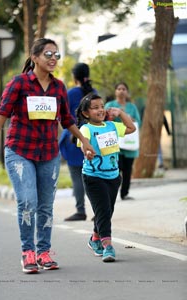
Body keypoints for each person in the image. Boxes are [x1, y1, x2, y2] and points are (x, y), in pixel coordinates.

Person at [0, 38, 95, 274]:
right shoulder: (19, 83)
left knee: (45, 206)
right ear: (35, 57)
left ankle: (44, 252)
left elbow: (67, 120)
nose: (53, 58)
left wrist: (84, 140)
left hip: (48, 153)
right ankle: (28, 252)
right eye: (48, 54)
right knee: (28, 201)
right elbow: (2, 113)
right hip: (19, 151)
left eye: (56, 55)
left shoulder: (58, 87)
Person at [76, 93, 136, 262]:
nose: (100, 110)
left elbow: (132, 128)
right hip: (93, 177)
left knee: (106, 211)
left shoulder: (112, 125)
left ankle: (95, 238)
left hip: (114, 176)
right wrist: (87, 152)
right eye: (95, 108)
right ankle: (107, 246)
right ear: (86, 113)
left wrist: (120, 113)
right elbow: (84, 144)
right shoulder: (86, 128)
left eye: (102, 106)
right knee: (103, 210)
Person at [59, 63, 95, 221]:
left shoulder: (72, 92)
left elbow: (63, 116)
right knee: (93, 177)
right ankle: (98, 211)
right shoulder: (94, 93)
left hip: (74, 138)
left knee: (77, 175)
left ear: (74, 77)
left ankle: (80, 210)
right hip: (92, 138)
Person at [105, 82, 141, 200]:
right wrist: (115, 115)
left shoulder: (132, 107)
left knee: (128, 170)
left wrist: (129, 118)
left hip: (129, 142)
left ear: (127, 92)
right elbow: (103, 120)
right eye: (119, 88)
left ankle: (124, 193)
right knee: (116, 170)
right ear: (115, 91)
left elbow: (138, 122)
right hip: (115, 142)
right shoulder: (110, 105)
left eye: (124, 89)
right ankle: (112, 193)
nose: (121, 91)